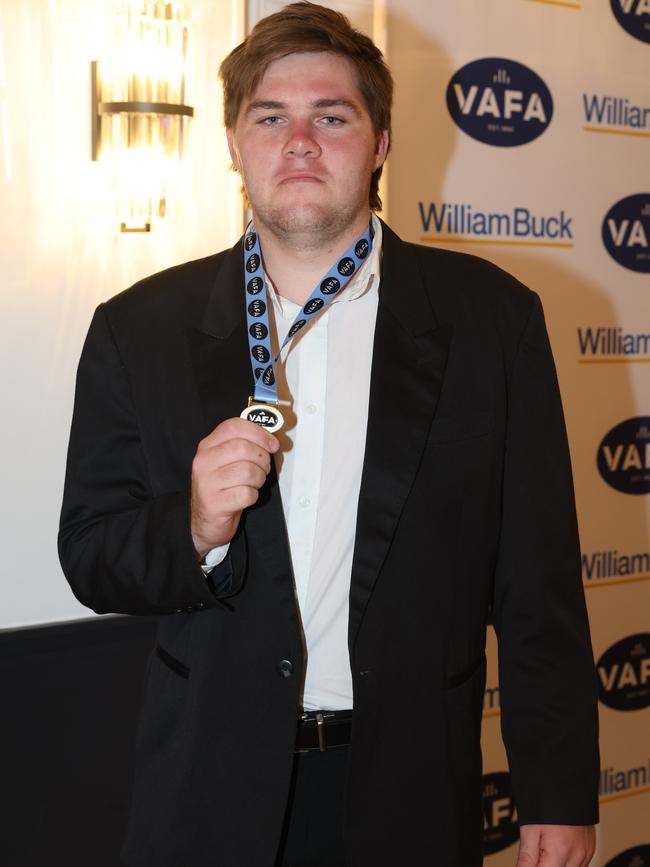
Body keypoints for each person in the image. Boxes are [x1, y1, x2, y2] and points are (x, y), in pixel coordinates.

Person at [58, 3, 599, 866]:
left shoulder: (491, 322)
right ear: (233, 143)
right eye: (270, 117)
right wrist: (192, 527)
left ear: (381, 141)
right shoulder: (138, 329)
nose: (299, 140)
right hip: (209, 794)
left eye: (332, 116)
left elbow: (538, 588)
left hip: (411, 791)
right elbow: (89, 554)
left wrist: (560, 795)